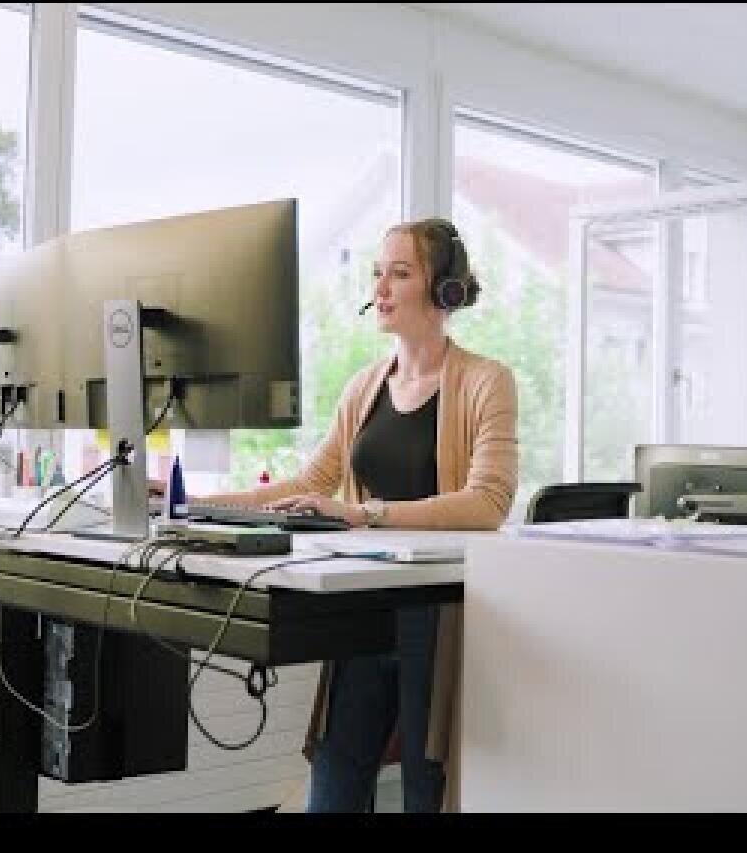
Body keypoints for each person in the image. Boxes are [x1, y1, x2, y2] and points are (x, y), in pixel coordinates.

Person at [183, 217, 518, 812]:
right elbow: (310, 485)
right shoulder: (364, 387)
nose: (381, 288)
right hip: (363, 607)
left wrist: (364, 514)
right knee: (336, 778)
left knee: (425, 785)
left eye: (401, 273)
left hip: (433, 616)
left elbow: (488, 502)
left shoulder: (485, 382)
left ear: (444, 291)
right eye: (377, 273)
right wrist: (191, 503)